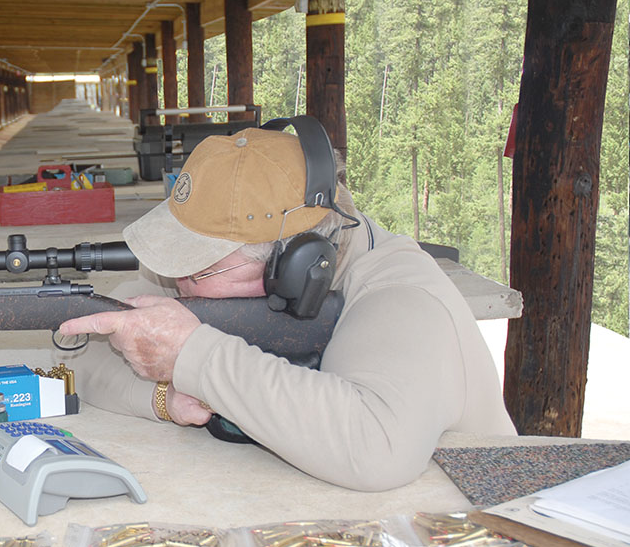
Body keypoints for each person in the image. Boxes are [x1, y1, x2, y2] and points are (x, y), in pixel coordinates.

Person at [57, 124, 516, 491]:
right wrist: (164, 397)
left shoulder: (406, 298)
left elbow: (376, 451)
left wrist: (193, 355)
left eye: (200, 269)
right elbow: (77, 351)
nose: (179, 283)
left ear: (293, 263)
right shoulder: (221, 275)